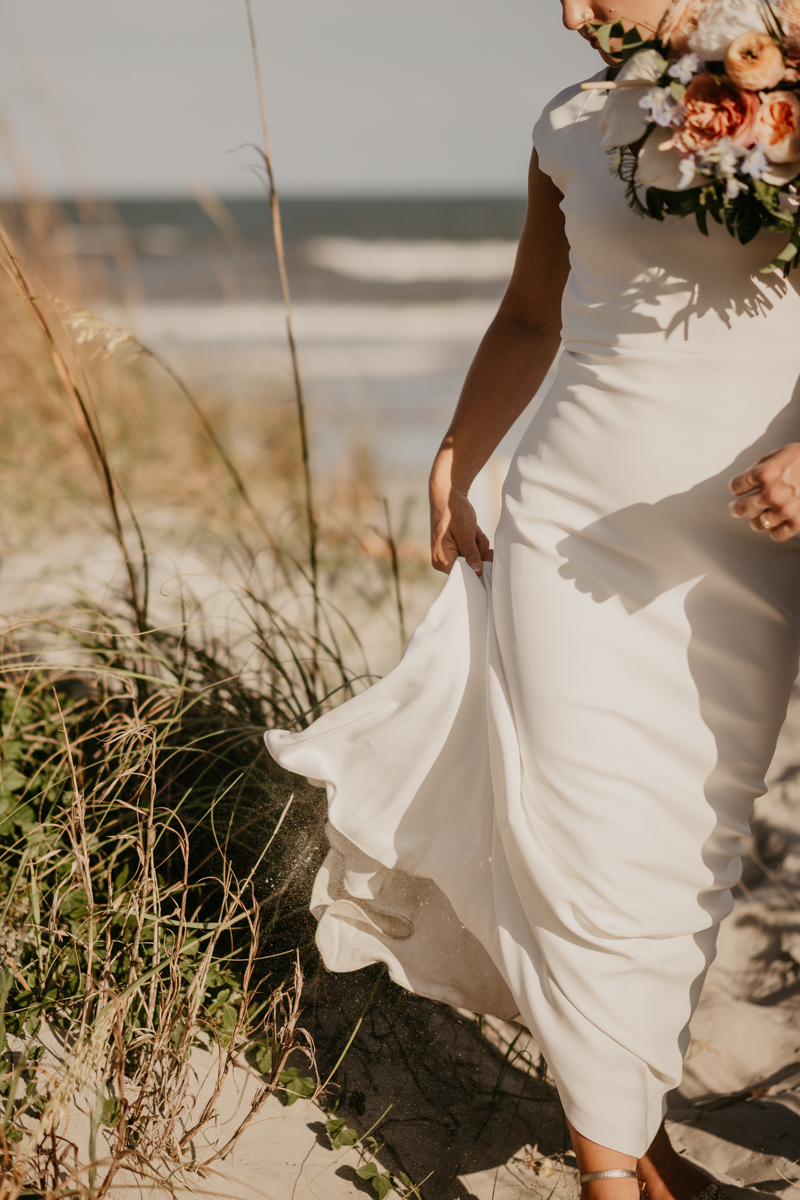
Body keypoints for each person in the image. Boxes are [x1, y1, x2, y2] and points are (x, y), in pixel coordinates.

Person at [266, 0, 800, 1195]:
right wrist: (460, 453)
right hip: (566, 526)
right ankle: (613, 1172)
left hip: (750, 539)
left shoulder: (787, 94)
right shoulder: (567, 123)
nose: (569, 12)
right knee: (578, 840)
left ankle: (633, 1133)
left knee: (689, 843)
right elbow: (528, 313)